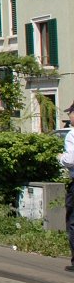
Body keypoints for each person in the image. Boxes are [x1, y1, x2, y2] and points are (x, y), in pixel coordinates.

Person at [60, 102, 74, 273]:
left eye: (70, 113)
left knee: (73, 221)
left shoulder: (72, 135)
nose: (69, 117)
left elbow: (70, 159)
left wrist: (60, 158)